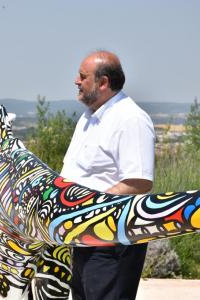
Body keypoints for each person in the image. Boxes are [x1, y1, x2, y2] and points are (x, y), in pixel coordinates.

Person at [60, 50, 155, 300]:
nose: (76, 81)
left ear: (103, 83)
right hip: (84, 237)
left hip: (111, 242)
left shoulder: (130, 119)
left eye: (83, 76)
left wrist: (87, 206)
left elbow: (139, 182)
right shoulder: (89, 117)